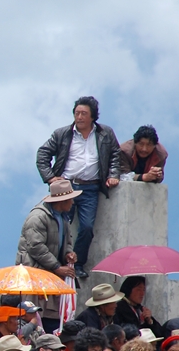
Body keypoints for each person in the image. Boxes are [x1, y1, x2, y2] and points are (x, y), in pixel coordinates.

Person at [35, 96, 121, 279]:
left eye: (84, 114)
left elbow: (115, 154)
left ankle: (78, 263)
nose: (80, 117)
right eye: (77, 113)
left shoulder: (105, 133)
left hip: (90, 188)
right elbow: (43, 154)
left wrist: (113, 175)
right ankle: (57, 264)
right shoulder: (62, 134)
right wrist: (50, 178)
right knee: (59, 225)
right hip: (66, 187)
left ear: (93, 117)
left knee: (87, 227)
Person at [16, 180, 80, 331]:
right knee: (37, 315)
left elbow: (67, 241)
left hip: (49, 274)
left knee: (52, 317)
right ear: (62, 200)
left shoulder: (63, 218)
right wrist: (57, 267)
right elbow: (36, 246)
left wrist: (68, 254)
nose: (72, 202)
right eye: (70, 199)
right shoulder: (37, 217)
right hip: (35, 275)